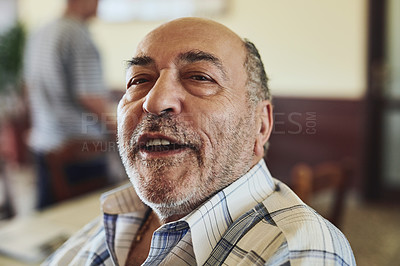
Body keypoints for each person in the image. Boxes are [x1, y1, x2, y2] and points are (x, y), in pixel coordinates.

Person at [43, 17, 356, 265]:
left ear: (261, 126)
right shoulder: (115, 220)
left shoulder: (296, 252)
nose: (155, 101)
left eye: (200, 77)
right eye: (139, 80)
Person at [24, 0, 113, 208]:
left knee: (49, 219)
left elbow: (28, 88)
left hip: (45, 144)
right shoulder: (78, 36)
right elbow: (90, 98)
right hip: (79, 150)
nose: (100, 5)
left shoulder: (40, 32)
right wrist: (122, 131)